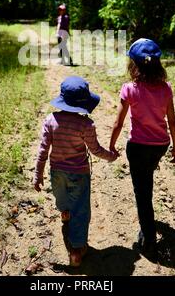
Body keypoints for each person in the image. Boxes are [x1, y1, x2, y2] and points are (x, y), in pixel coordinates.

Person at [34, 76, 118, 267]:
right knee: (80, 210)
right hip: (79, 174)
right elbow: (95, 150)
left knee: (61, 197)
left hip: (57, 172)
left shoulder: (50, 120)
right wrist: (111, 156)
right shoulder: (86, 125)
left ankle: (65, 214)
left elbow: (43, 150)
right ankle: (76, 251)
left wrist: (38, 174)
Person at [109, 38, 175, 259]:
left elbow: (118, 123)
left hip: (138, 146)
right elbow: (172, 122)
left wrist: (111, 145)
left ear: (134, 65)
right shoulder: (166, 89)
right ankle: (149, 222)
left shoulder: (130, 89)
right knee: (146, 177)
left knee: (142, 192)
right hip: (160, 144)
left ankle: (148, 237)